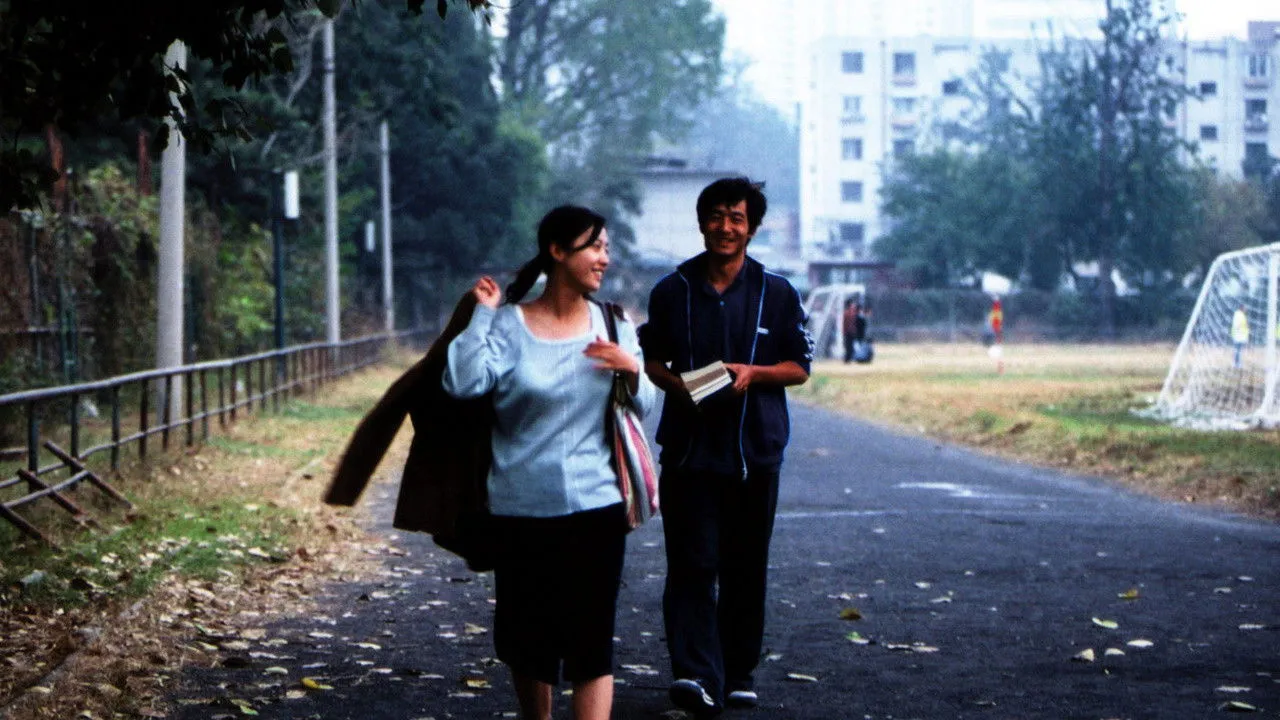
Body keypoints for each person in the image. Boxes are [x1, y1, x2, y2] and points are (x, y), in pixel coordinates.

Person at [442, 205, 656, 720]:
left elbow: (642, 405)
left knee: (591, 647)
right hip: (520, 511)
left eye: (606, 247)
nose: (604, 258)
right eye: (594, 247)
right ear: (558, 252)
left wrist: (631, 369)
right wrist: (483, 316)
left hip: (596, 507)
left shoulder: (613, 324)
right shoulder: (510, 325)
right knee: (528, 644)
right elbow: (462, 383)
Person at [640, 177, 812, 715]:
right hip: (690, 453)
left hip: (755, 453)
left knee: (745, 566)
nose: (726, 227)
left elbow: (800, 368)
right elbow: (651, 359)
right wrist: (680, 385)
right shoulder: (673, 291)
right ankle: (695, 674)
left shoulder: (777, 292)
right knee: (692, 564)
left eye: (736, 218)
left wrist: (753, 373)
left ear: (752, 228)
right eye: (716, 216)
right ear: (701, 222)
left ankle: (738, 672)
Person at [841, 299, 862, 363]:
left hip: (851, 332)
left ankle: (849, 358)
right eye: (852, 304)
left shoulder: (850, 312)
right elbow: (846, 323)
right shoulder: (848, 313)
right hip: (849, 332)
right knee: (848, 346)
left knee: (850, 346)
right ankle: (847, 359)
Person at [1232, 303, 1249, 368]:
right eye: (1245, 308)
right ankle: (1237, 364)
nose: (1246, 309)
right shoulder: (1239, 315)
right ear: (1242, 308)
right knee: (1238, 350)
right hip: (1239, 336)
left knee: (1238, 350)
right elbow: (1238, 325)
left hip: (1240, 335)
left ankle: (1237, 363)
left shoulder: (1240, 315)